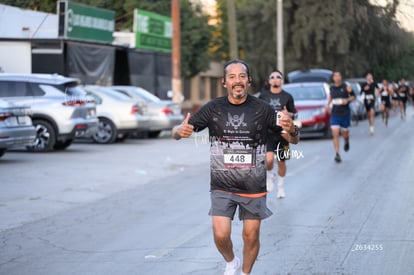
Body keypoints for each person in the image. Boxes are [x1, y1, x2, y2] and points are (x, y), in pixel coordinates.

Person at [172, 59, 299, 275]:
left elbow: (293, 139)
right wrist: (178, 131)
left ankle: (245, 273)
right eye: (232, 77)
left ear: (249, 80)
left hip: (253, 185)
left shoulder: (264, 109)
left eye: (242, 76)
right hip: (222, 184)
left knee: (251, 236)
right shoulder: (213, 108)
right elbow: (180, 130)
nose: (237, 81)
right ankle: (231, 261)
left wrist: (292, 129)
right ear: (224, 82)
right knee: (220, 235)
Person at [259, 70, 296, 198]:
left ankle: (280, 187)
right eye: (272, 77)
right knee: (268, 160)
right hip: (267, 133)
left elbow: (294, 114)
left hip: (283, 133)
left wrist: (288, 114)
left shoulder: (287, 97)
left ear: (282, 80)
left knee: (281, 162)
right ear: (269, 81)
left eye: (278, 77)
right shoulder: (263, 96)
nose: (275, 79)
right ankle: (270, 175)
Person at [326, 71, 355, 163]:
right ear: (333, 78)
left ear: (341, 77)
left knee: (345, 132)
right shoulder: (332, 88)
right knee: (335, 132)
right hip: (335, 113)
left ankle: (346, 140)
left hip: (345, 113)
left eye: (339, 76)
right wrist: (327, 105)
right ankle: (337, 154)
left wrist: (348, 99)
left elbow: (353, 96)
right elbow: (331, 97)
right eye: (335, 76)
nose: (337, 77)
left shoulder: (346, 87)